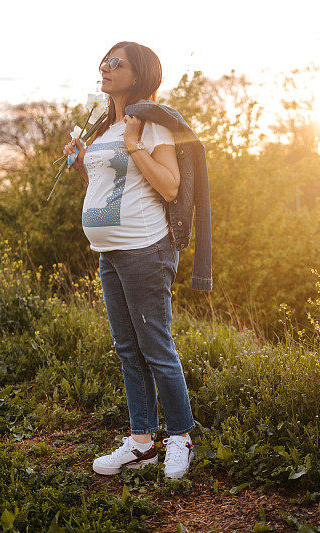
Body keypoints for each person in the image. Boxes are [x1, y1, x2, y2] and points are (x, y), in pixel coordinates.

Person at [62, 41, 195, 479]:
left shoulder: (149, 123)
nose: (104, 67)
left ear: (137, 74)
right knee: (127, 349)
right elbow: (107, 187)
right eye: (103, 60)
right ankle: (141, 442)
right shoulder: (105, 127)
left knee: (155, 346)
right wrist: (82, 161)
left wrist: (135, 142)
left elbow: (171, 187)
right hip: (110, 251)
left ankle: (180, 437)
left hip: (145, 249)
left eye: (115, 62)